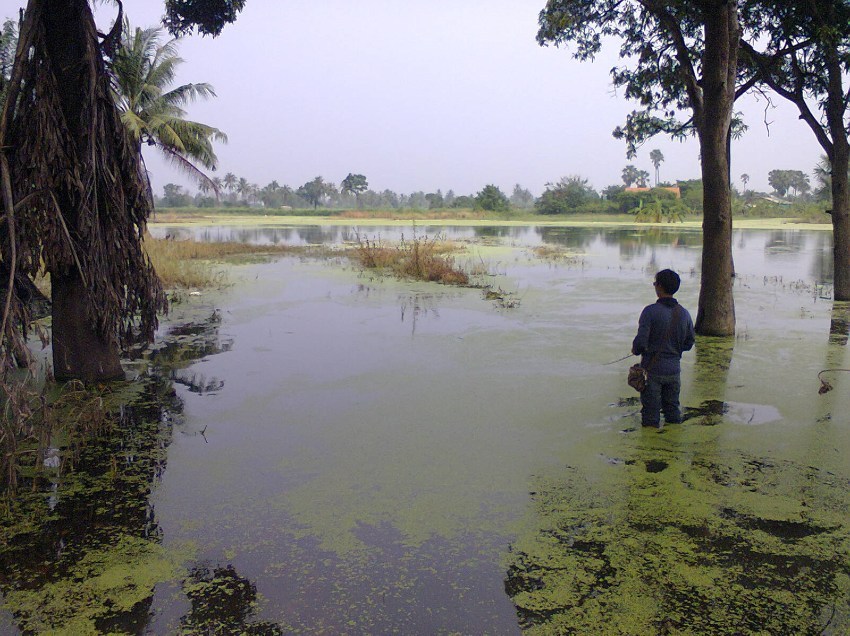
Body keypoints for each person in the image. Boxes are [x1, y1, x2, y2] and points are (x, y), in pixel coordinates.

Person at [631, 269, 695, 428]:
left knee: (651, 414)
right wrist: (674, 350)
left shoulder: (650, 311)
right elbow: (689, 343)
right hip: (674, 371)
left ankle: (650, 448)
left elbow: (640, 343)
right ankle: (673, 445)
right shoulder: (684, 314)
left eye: (655, 283)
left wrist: (636, 350)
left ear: (659, 286)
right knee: (673, 410)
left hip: (652, 372)